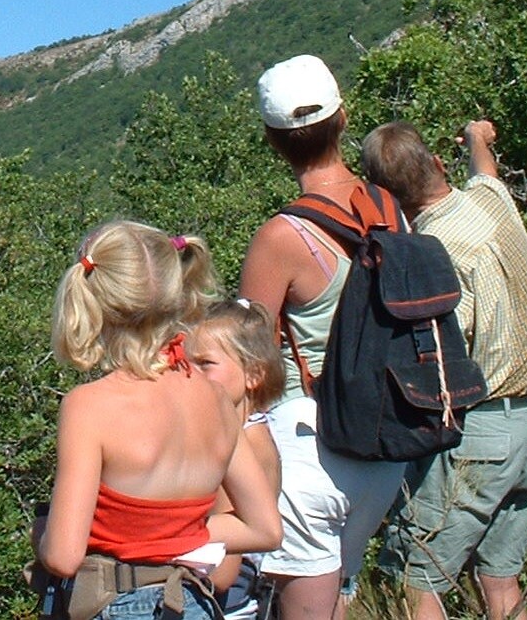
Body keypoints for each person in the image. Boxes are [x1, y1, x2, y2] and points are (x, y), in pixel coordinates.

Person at [35, 222, 282, 620]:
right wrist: (179, 534)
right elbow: (266, 529)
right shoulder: (216, 399)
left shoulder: (89, 406)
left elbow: (64, 556)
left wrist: (42, 535)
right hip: (191, 603)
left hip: (117, 602)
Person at [361, 120, 527, 620]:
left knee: (417, 579)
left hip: (482, 432)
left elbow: (445, 358)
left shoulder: (431, 254)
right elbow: (485, 172)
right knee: (501, 578)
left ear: (385, 199)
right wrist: (476, 138)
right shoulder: (493, 203)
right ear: (439, 166)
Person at [237, 54, 408, 619]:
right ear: (344, 118)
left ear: (272, 140)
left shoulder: (281, 238)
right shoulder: (390, 210)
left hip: (310, 447)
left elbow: (249, 362)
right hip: (386, 446)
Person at [186, 297, 285, 619]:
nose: (190, 374)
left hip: (222, 604)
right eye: (185, 363)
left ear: (253, 374)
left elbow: (222, 572)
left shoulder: (248, 449)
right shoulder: (236, 434)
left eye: (205, 364)